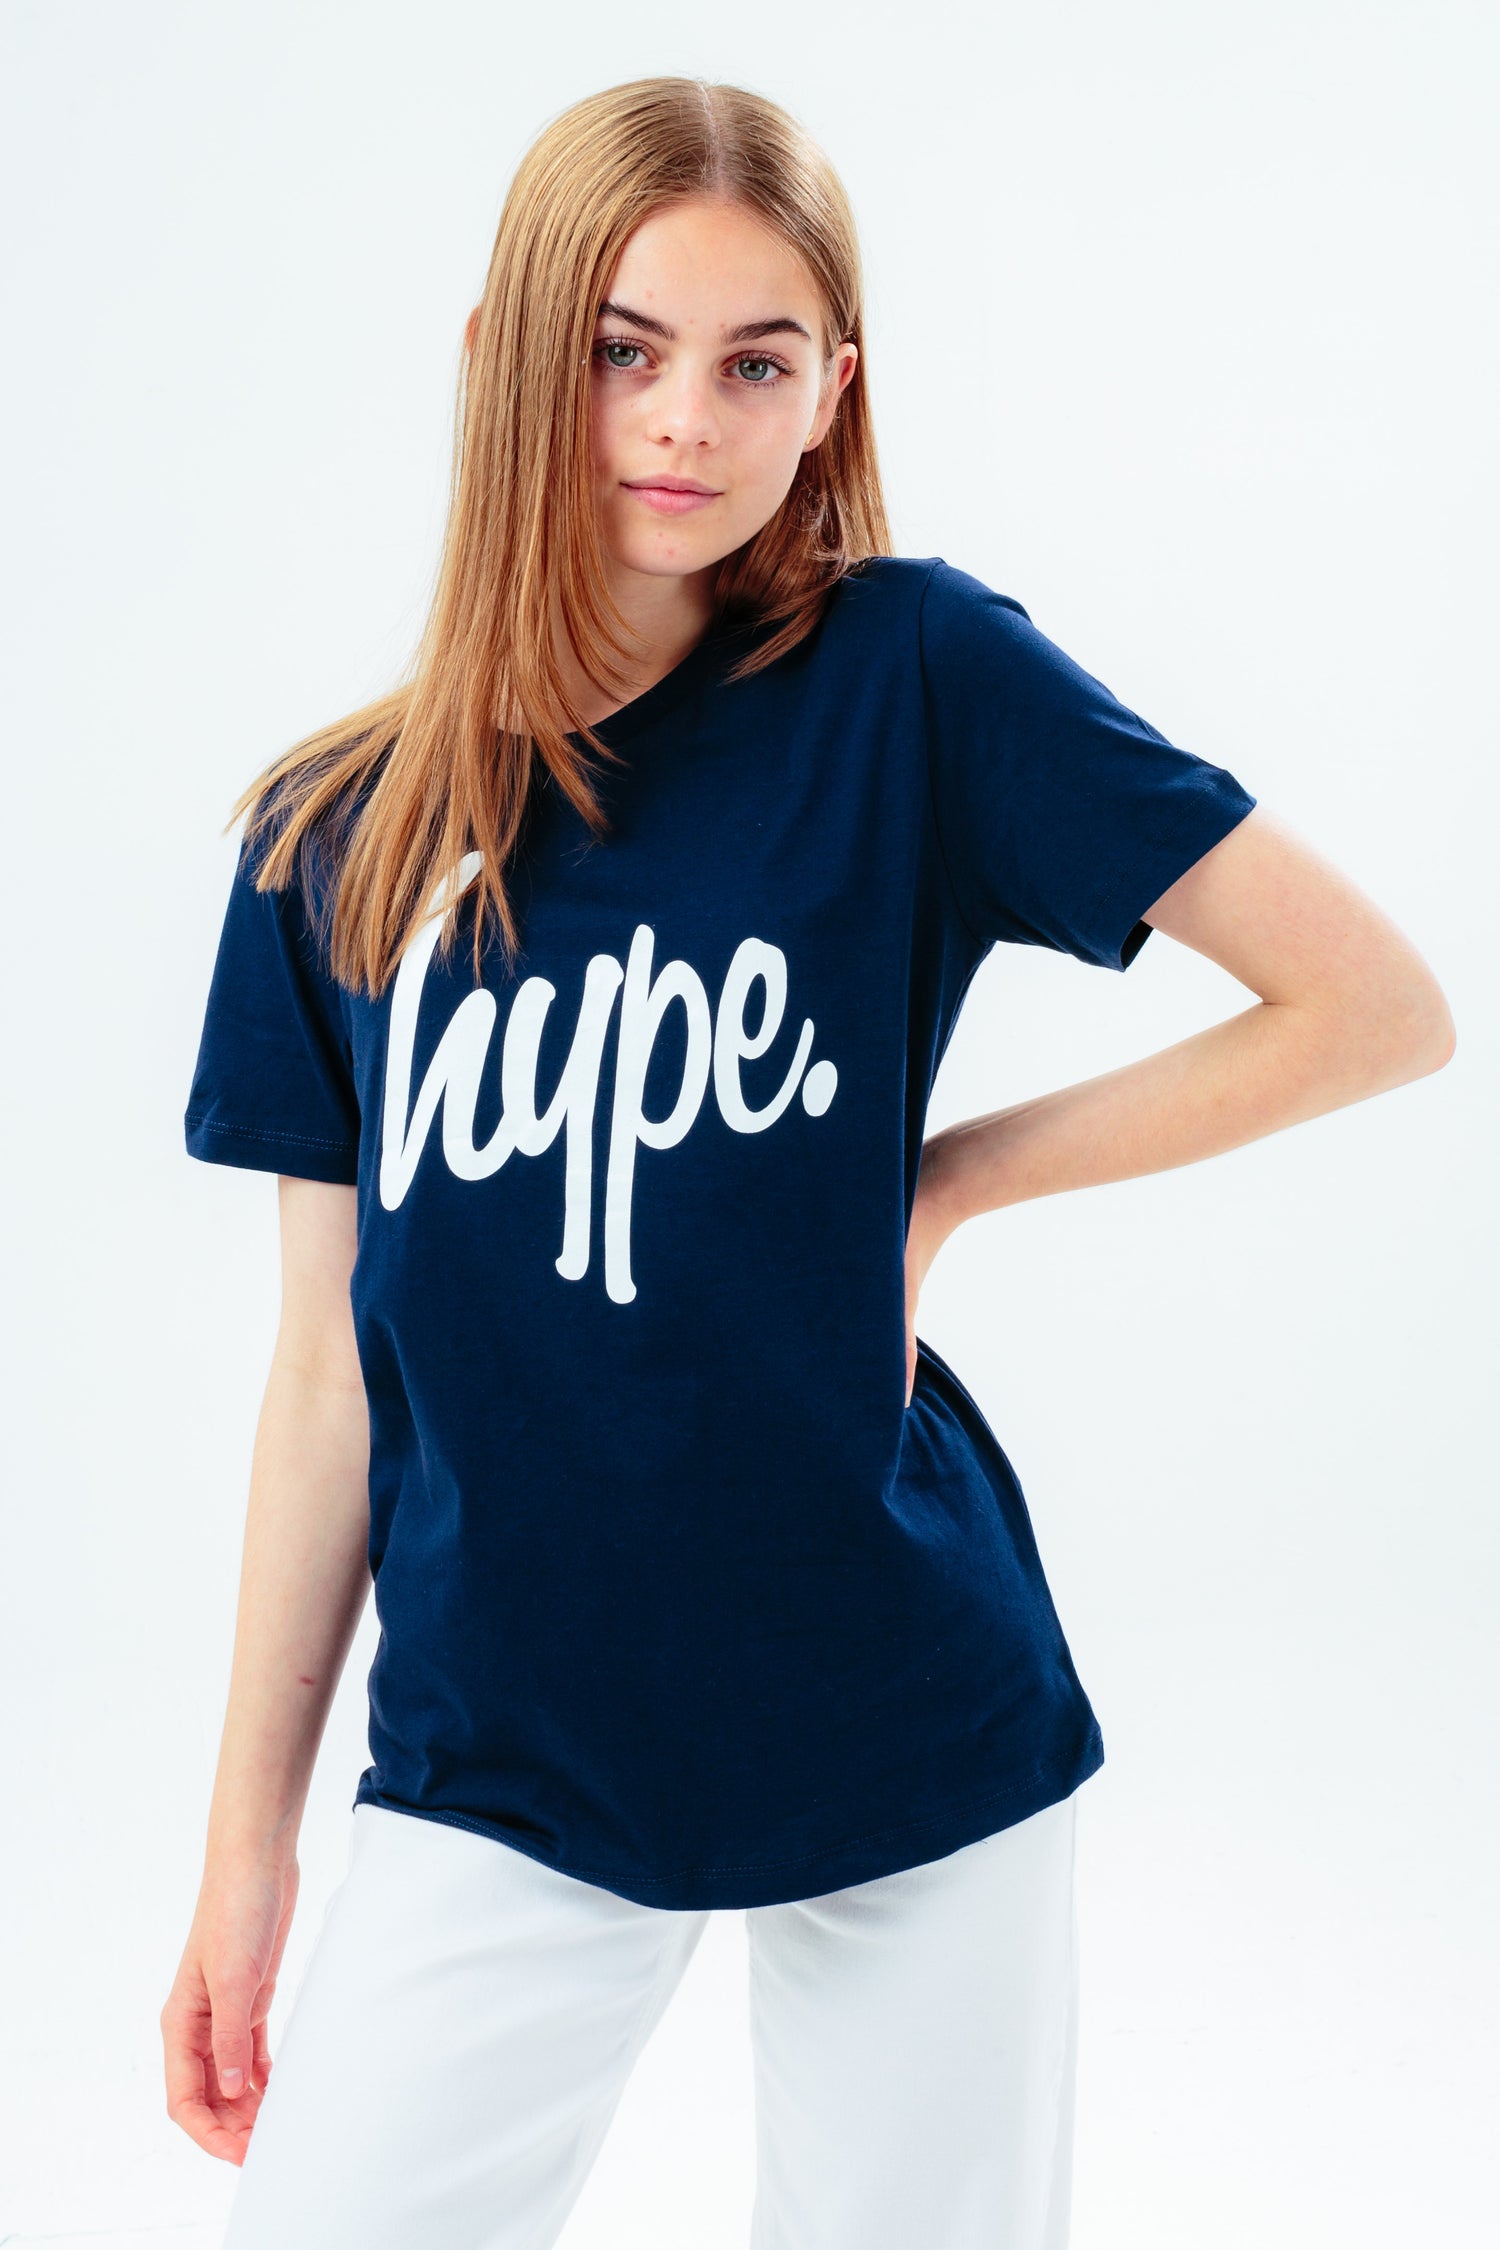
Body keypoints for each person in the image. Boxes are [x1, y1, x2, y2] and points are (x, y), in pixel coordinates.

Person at [159, 74, 1455, 2250]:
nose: (687, 420)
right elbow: (324, 1385)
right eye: (623, 349)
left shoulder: (914, 678)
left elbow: (1374, 1005)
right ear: (505, 355)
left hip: (901, 1718)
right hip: (506, 1748)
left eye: (756, 363)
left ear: (833, 390)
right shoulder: (337, 837)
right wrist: (245, 1852)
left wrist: (942, 1184)